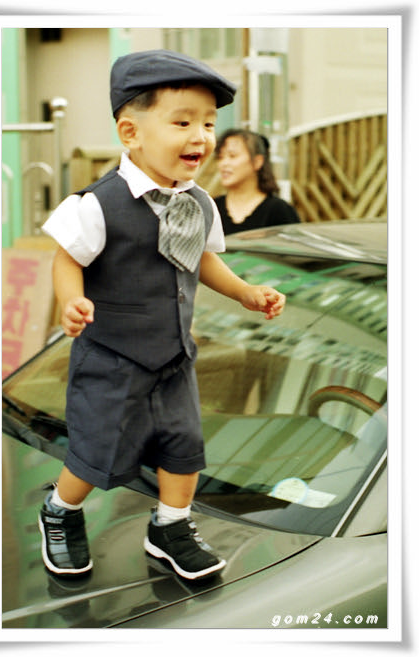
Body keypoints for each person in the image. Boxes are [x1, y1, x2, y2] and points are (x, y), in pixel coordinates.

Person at [39, 50, 286, 581]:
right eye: (182, 122)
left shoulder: (199, 204)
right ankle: (61, 509)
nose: (201, 136)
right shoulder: (98, 204)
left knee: (183, 445)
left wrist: (244, 292)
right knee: (97, 449)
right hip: (111, 359)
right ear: (131, 133)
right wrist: (71, 300)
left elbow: (202, 258)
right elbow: (67, 258)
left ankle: (170, 526)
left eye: (208, 123)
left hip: (173, 355)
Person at [214, 128, 301, 234]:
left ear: (257, 161)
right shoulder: (212, 207)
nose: (223, 163)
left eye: (232, 156)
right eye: (220, 157)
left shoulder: (279, 210)